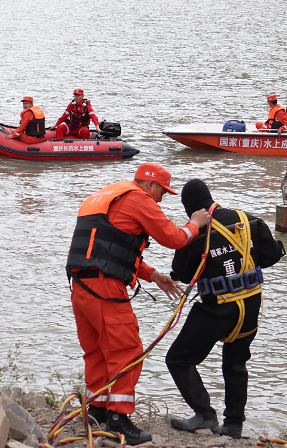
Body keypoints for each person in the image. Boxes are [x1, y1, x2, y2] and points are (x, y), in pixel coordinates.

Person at [65, 163, 210, 444]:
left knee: (96, 351)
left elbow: (110, 249)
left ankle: (95, 413)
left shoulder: (106, 196)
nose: (160, 200)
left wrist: (153, 275)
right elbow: (174, 238)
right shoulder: (138, 199)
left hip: (81, 286)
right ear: (150, 185)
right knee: (127, 350)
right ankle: (119, 421)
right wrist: (195, 224)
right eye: (162, 193)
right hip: (105, 289)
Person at [166, 179, 285, 438]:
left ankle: (205, 416)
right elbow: (273, 255)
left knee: (178, 359)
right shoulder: (248, 220)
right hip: (251, 306)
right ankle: (233, 425)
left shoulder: (195, 235)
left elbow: (184, 274)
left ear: (190, 207)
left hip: (217, 310)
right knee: (236, 363)